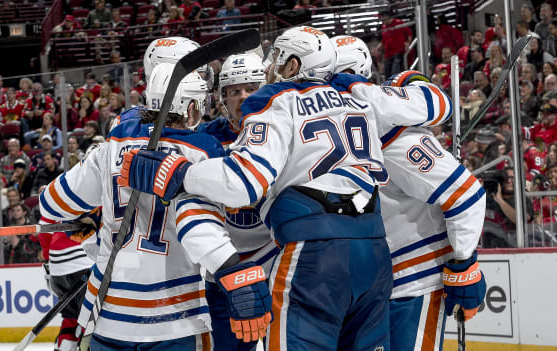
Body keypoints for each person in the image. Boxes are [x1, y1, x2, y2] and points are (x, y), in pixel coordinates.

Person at [119, 26, 454, 350]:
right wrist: (406, 81)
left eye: (277, 57)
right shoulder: (357, 94)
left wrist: (178, 173)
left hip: (312, 252)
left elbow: (242, 183)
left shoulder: (276, 101)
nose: (268, 70)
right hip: (374, 248)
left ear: (294, 64)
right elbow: (439, 105)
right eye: (233, 90)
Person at [38, 62, 269, 350]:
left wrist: (98, 215)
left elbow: (51, 202)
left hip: (110, 318)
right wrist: (233, 271)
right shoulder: (202, 149)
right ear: (191, 108)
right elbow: (198, 227)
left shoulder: (112, 144)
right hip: (176, 318)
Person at [333, 41, 486, 351]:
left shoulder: (392, 130)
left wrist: (463, 262)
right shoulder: (327, 134)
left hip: (412, 282)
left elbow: (466, 194)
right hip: (368, 285)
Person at [196, 53, 279, 350]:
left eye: (251, 88)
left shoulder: (282, 128)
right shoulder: (206, 138)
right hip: (226, 265)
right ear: (222, 99)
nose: (243, 97)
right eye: (235, 91)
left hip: (276, 258)